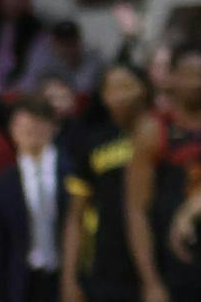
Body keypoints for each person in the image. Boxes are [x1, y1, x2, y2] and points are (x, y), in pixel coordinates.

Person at [126, 47, 201, 302]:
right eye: (188, 74)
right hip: (170, 264)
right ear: (171, 78)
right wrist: (150, 281)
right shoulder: (153, 129)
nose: (196, 82)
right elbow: (137, 211)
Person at [62, 63, 151, 302]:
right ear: (103, 97)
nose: (122, 96)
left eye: (127, 86)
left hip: (159, 257)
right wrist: (69, 279)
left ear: (144, 88)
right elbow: (75, 216)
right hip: (107, 264)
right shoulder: (92, 142)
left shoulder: (161, 133)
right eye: (114, 89)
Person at [0, 99, 67, 302]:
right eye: (24, 126)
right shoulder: (0, 184)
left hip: (67, 278)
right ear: (12, 131)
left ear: (54, 127)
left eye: (38, 125)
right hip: (22, 283)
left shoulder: (71, 173)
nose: (31, 131)